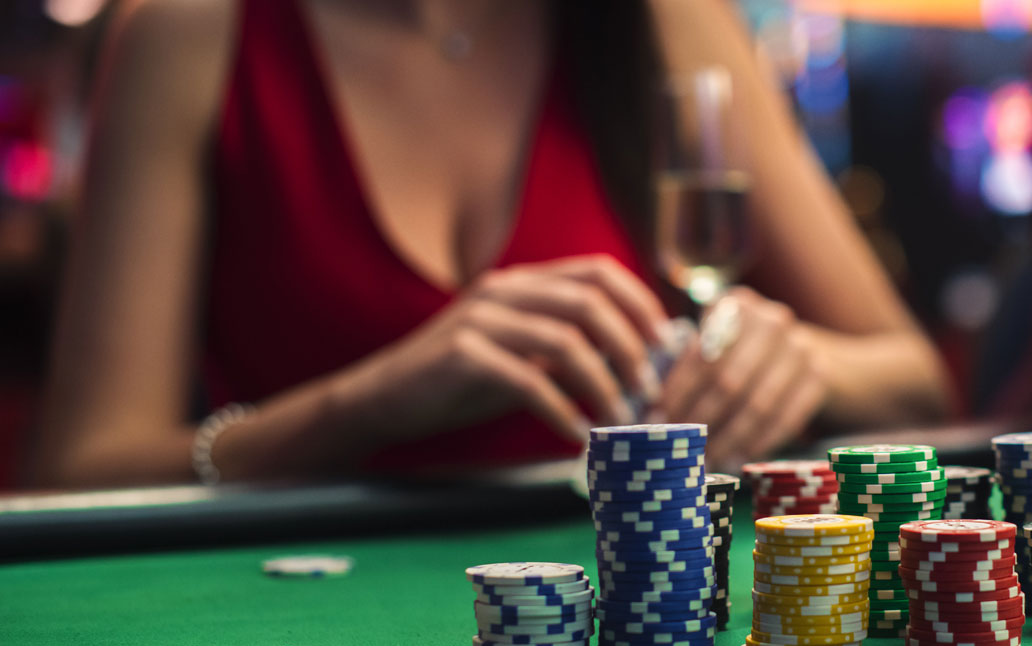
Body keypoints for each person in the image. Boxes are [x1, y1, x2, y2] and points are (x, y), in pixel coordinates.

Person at [31, 0, 950, 488]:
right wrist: (363, 405)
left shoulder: (660, 18)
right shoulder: (187, 32)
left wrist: (793, 366)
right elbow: (82, 471)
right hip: (302, 623)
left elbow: (914, 380)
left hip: (609, 634)